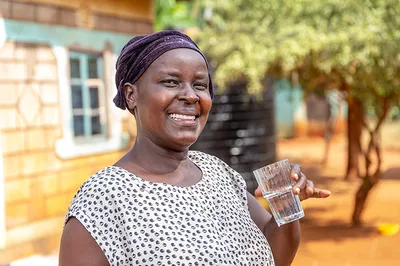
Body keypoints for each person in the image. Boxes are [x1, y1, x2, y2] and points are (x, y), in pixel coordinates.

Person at [59, 30, 331, 266]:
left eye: (200, 85)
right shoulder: (103, 198)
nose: (190, 95)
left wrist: (285, 201)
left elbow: (273, 255)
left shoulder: (218, 174)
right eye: (171, 82)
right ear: (132, 95)